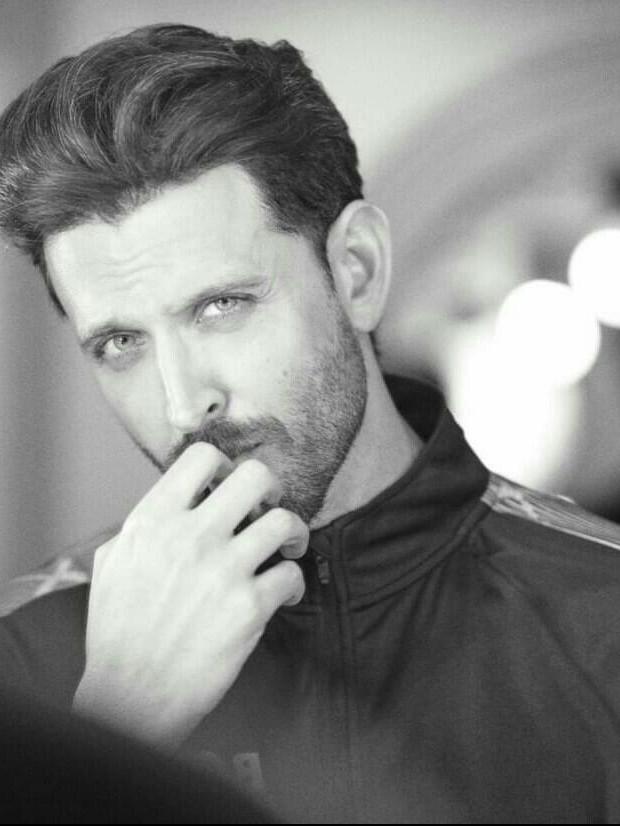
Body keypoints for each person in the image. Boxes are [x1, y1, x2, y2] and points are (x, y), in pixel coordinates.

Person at [0, 22, 620, 824]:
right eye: (120, 344)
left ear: (357, 269)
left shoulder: (602, 622)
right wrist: (118, 725)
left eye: (222, 306)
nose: (184, 404)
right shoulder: (21, 658)